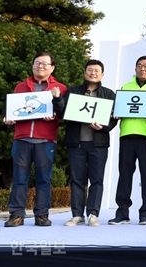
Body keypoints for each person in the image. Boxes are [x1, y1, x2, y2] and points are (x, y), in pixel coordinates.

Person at [3, 52, 67, 227]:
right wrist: (8, 118)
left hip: (45, 140)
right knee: (19, 178)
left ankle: (42, 214)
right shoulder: (21, 87)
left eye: (45, 64)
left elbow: (63, 114)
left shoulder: (59, 88)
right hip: (22, 139)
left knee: (44, 179)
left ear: (52, 67)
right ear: (32, 65)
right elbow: (13, 110)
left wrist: (56, 104)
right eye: (37, 63)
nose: (40, 66)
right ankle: (16, 214)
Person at [52, 59, 117, 227]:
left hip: (98, 144)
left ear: (102, 74)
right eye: (90, 70)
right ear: (84, 72)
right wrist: (58, 99)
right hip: (77, 143)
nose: (93, 73)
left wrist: (103, 127)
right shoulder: (73, 92)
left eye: (96, 70)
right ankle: (76, 215)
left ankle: (93, 214)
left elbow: (114, 120)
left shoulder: (109, 94)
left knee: (97, 180)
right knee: (76, 179)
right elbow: (62, 112)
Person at [109, 56, 146, 225]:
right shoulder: (125, 87)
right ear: (135, 69)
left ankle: (145, 213)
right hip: (127, 135)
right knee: (125, 175)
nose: (143, 69)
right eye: (140, 66)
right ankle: (122, 213)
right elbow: (117, 109)